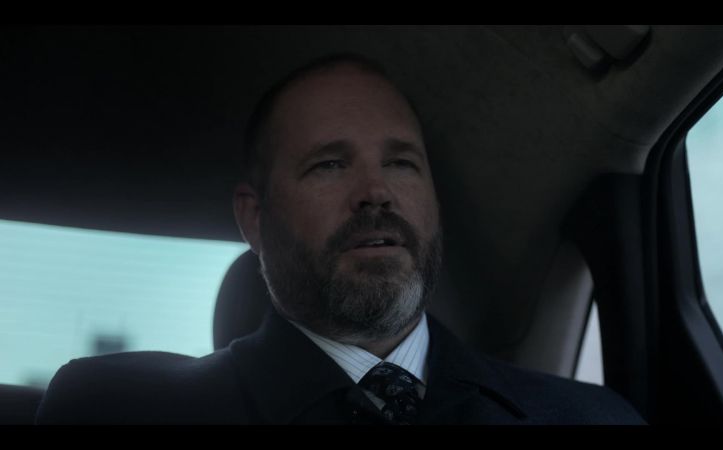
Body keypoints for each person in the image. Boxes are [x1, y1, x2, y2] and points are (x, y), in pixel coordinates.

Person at [35, 54, 645, 425]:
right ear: (254, 219)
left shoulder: (593, 419)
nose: (376, 192)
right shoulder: (118, 410)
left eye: (402, 163)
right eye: (329, 164)